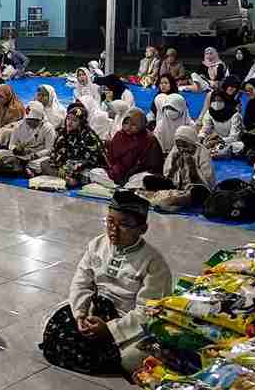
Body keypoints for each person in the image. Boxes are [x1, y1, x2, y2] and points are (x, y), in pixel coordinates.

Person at [40, 190, 172, 376]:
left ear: (142, 228)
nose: (113, 230)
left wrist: (110, 329)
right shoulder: (97, 245)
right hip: (95, 311)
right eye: (110, 222)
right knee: (51, 323)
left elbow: (149, 311)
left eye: (124, 224)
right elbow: (81, 283)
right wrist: (81, 314)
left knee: (132, 358)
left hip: (126, 320)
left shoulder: (154, 262)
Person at [40, 103, 108, 188]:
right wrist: (59, 165)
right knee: (44, 163)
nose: (70, 122)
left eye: (74, 120)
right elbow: (55, 152)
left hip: (83, 168)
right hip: (66, 166)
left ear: (81, 123)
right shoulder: (63, 133)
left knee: (91, 174)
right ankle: (66, 179)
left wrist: (68, 168)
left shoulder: (89, 137)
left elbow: (91, 160)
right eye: (68, 119)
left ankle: (68, 179)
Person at [0, 101, 56, 177]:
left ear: (40, 119)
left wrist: (34, 155)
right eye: (29, 120)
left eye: (34, 120)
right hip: (21, 155)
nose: (31, 123)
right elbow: (11, 145)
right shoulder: (19, 125)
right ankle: (23, 168)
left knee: (39, 164)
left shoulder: (48, 128)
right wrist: (16, 149)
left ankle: (21, 167)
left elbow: (49, 149)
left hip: (37, 156)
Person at [104, 109, 164, 186]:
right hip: (117, 173)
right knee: (95, 172)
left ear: (141, 125)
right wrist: (114, 170)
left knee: (144, 179)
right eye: (126, 123)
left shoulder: (149, 139)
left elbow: (154, 166)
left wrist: (131, 173)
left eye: (134, 125)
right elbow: (111, 159)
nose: (128, 127)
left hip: (137, 175)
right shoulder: (119, 135)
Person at [199, 77, 243, 158]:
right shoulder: (210, 112)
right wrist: (201, 137)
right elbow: (205, 128)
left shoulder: (235, 114)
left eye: (219, 101)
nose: (216, 103)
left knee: (239, 146)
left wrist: (218, 140)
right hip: (214, 138)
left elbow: (234, 137)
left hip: (227, 141)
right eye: (214, 101)